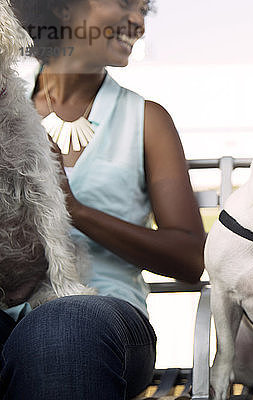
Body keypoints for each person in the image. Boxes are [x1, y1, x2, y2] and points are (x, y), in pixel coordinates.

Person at [1, 0, 206, 398]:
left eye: (145, 10)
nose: (139, 23)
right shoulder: (7, 103)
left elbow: (190, 258)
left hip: (100, 318)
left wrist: (73, 208)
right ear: (62, 8)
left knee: (64, 327)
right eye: (127, 4)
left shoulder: (146, 118)